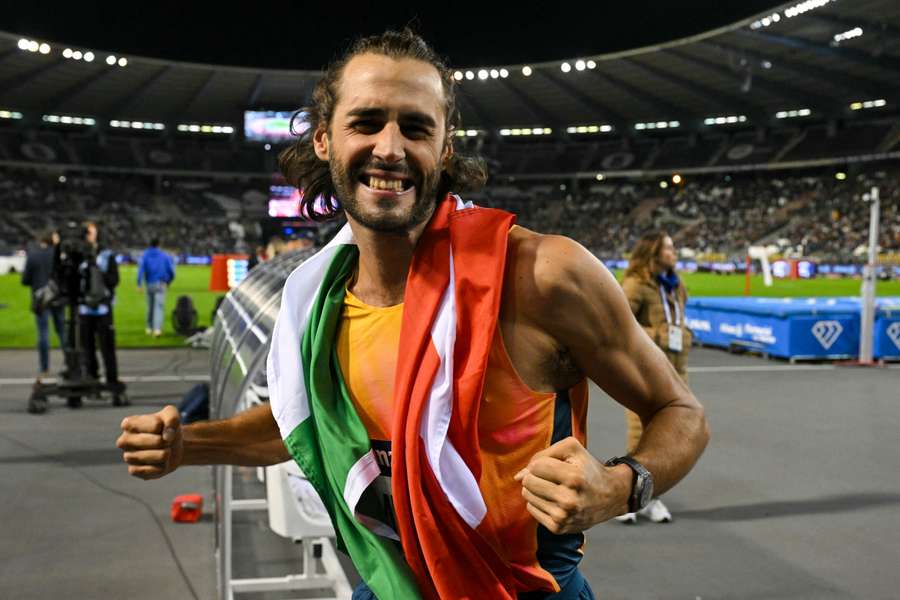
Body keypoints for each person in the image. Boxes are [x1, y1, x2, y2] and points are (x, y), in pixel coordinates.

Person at [117, 30, 708, 600]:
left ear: (444, 147)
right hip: (388, 588)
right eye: (366, 122)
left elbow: (680, 412)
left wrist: (618, 486)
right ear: (324, 139)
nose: (390, 147)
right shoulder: (314, 301)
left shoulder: (538, 275)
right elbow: (303, 425)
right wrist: (186, 446)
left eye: (416, 127)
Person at [617, 232, 692, 524]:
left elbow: (678, 319)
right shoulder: (637, 285)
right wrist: (658, 336)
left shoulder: (675, 285)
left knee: (668, 439)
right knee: (641, 435)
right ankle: (629, 499)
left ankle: (652, 498)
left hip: (676, 371)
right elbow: (620, 326)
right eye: (669, 248)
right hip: (646, 372)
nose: (674, 252)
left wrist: (683, 337)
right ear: (654, 252)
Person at [78, 221, 125, 406]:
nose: (88, 235)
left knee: (107, 348)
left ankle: (112, 381)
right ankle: (91, 381)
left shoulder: (106, 255)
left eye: (91, 232)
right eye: (86, 232)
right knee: (86, 348)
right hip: (84, 310)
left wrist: (98, 272)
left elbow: (115, 279)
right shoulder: (77, 256)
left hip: (103, 309)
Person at [21, 228, 66, 380]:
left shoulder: (33, 255)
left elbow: (25, 280)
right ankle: (70, 363)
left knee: (43, 333)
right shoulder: (59, 255)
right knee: (62, 331)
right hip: (57, 297)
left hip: (41, 299)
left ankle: (44, 367)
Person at [136, 238, 175, 337]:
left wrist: (139, 284)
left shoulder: (145, 255)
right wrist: (168, 282)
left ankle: (149, 328)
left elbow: (141, 270)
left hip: (149, 283)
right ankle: (157, 329)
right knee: (159, 307)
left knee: (150, 307)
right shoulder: (164, 256)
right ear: (159, 244)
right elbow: (171, 271)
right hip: (161, 284)